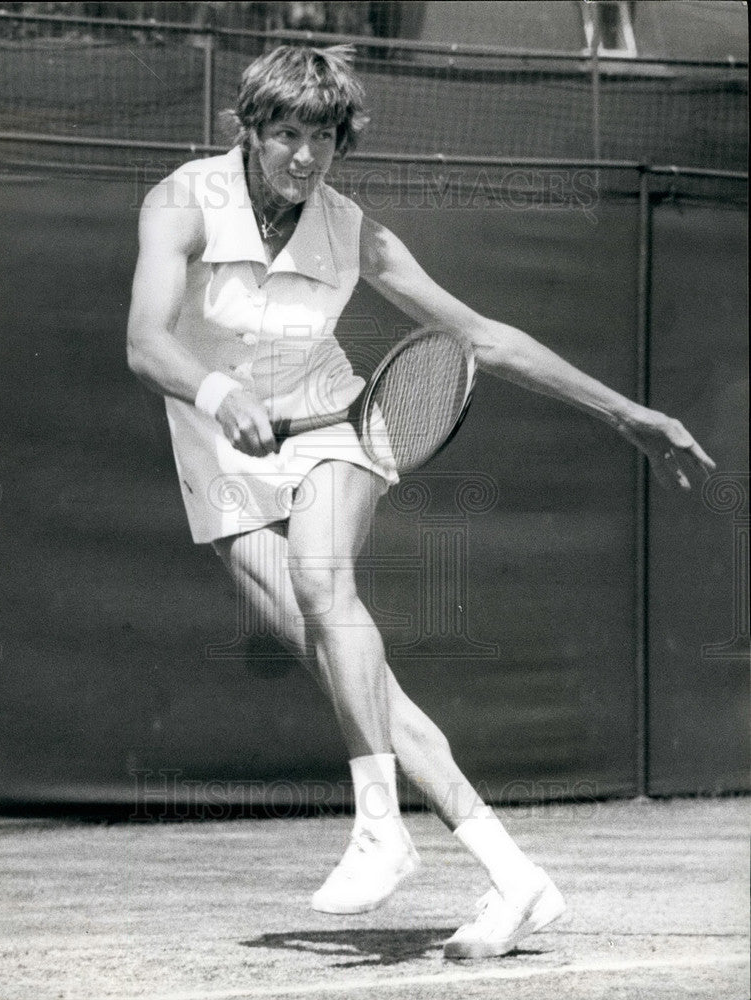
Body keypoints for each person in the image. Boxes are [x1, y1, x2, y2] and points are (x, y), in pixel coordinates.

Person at [126, 44, 715, 960]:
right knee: (358, 675)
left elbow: (481, 337)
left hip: (335, 421)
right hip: (220, 454)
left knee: (326, 585)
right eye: (285, 133)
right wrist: (215, 394)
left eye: (322, 137)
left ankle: (377, 829)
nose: (304, 157)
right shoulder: (180, 202)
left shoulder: (352, 230)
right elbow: (144, 343)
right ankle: (513, 875)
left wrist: (624, 411)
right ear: (247, 132)